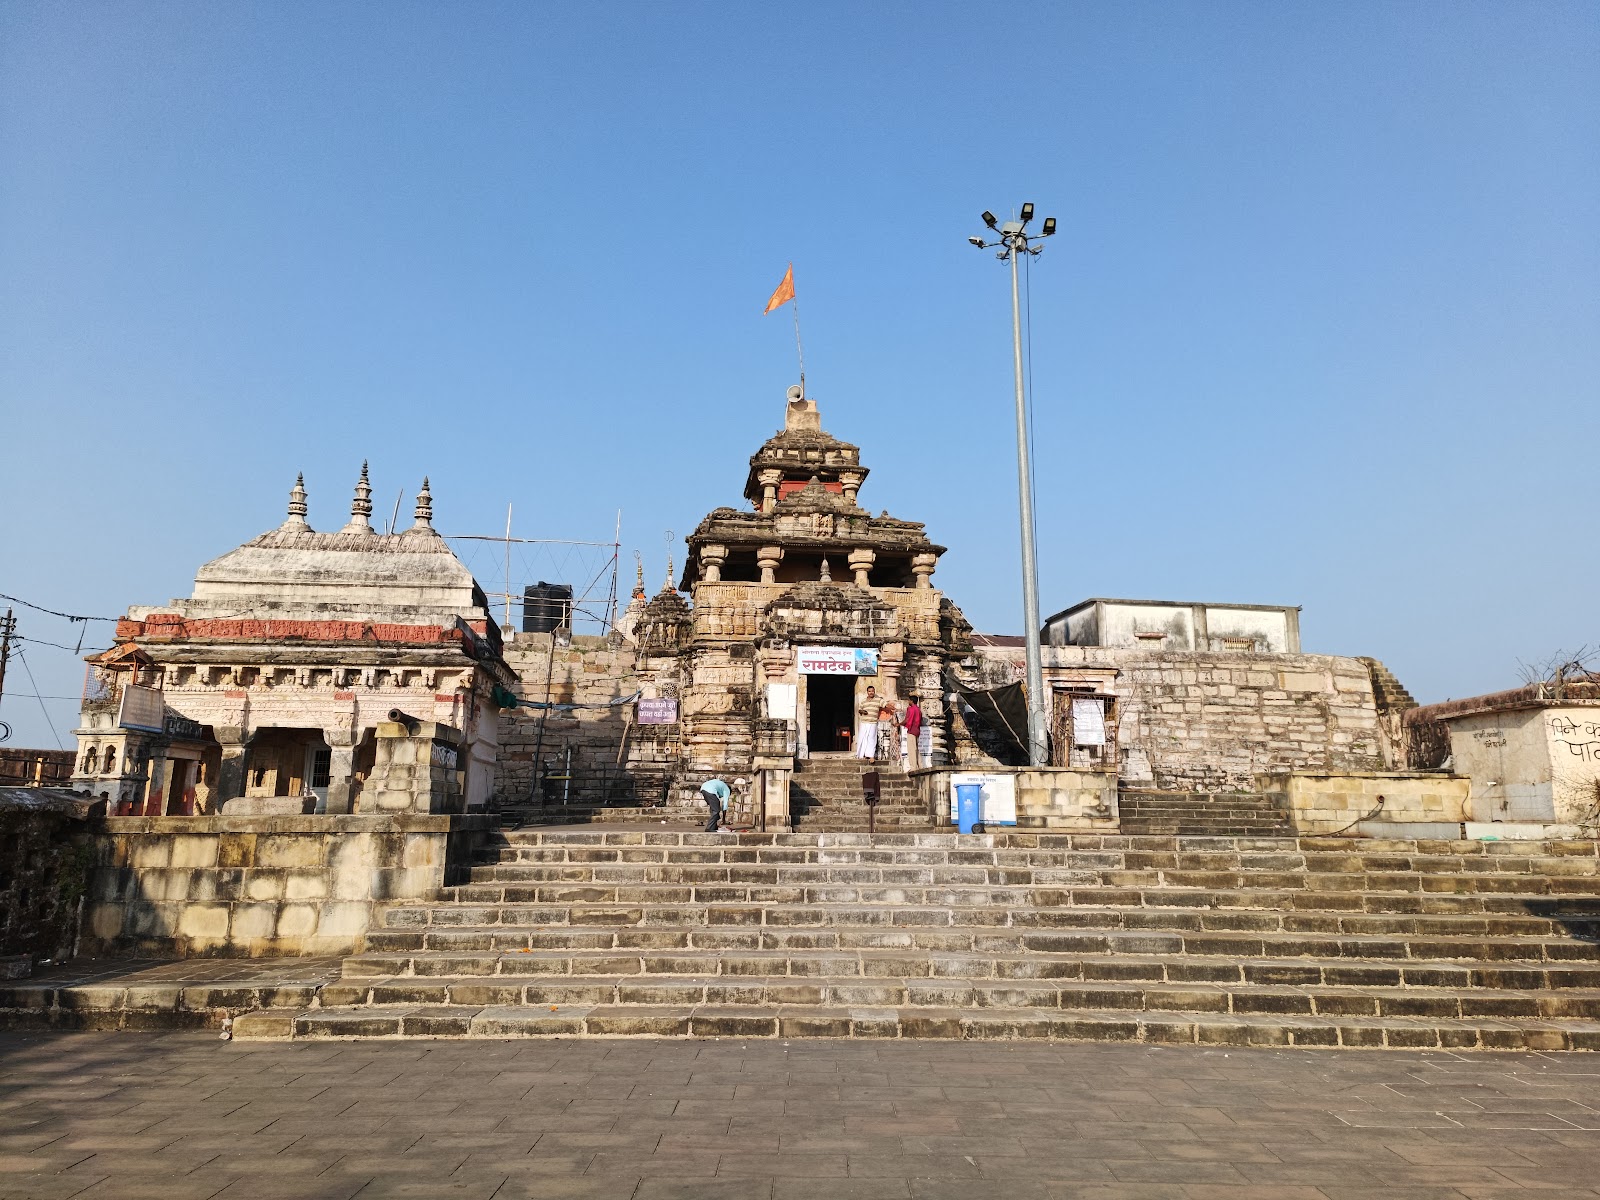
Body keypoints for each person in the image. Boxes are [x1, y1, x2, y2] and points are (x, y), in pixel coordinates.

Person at [855, 686, 879, 759]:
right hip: (864, 722)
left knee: (871, 739)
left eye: (872, 691)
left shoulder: (878, 700)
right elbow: (859, 710)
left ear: (874, 692)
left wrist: (895, 708)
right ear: (867, 692)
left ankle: (870, 755)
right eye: (869, 691)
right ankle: (861, 754)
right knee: (862, 738)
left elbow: (885, 705)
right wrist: (863, 711)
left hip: (873, 722)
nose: (871, 692)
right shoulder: (863, 701)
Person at [875, 694, 899, 763]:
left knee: (887, 743)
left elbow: (893, 716)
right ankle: (880, 756)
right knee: (880, 742)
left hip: (887, 726)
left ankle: (886, 756)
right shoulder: (878, 710)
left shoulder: (889, 708)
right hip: (880, 725)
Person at [901, 698, 923, 768]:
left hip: (911, 730)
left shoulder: (911, 709)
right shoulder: (918, 709)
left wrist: (899, 724)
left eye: (909, 700)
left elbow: (907, 719)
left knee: (911, 749)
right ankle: (920, 765)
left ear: (912, 701)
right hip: (917, 730)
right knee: (916, 749)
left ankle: (913, 767)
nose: (908, 702)